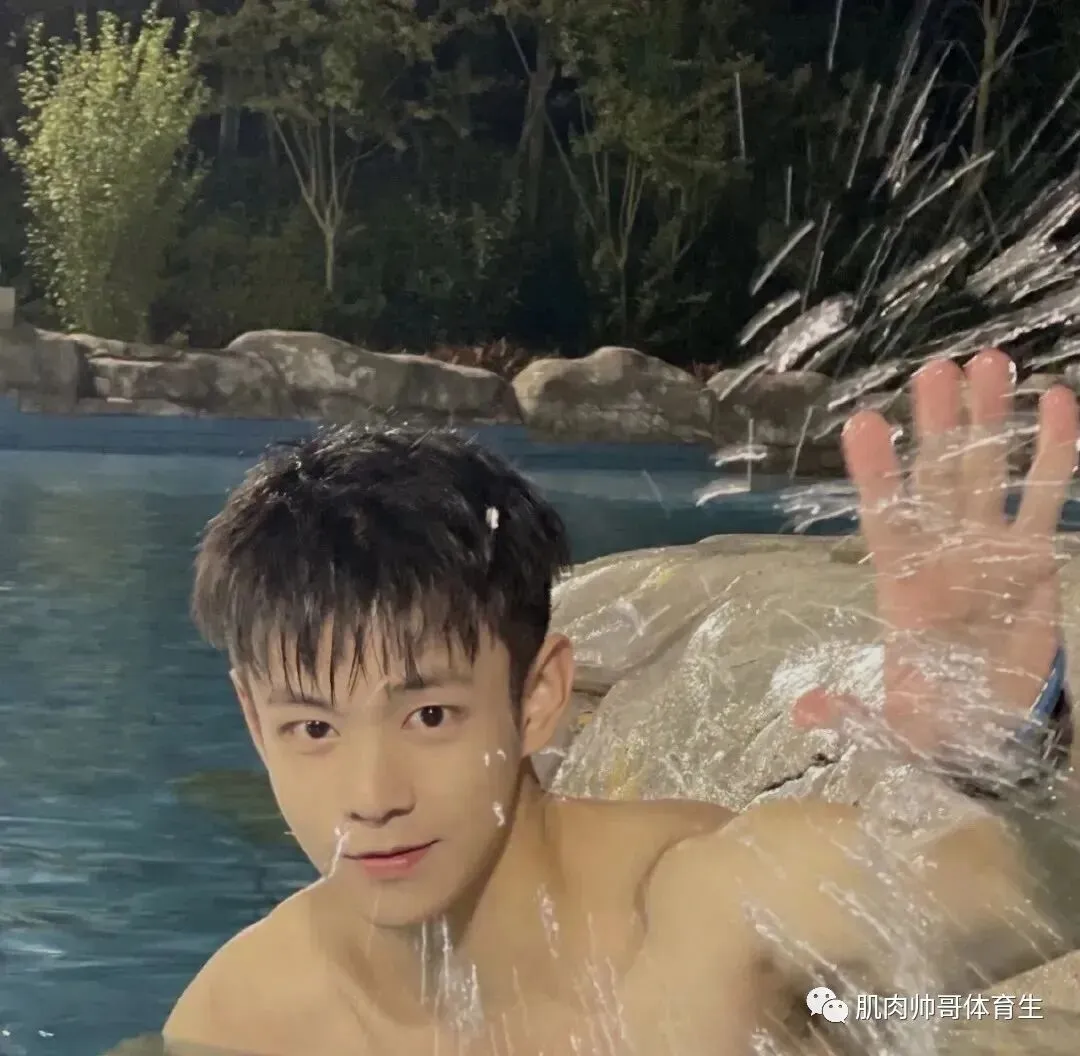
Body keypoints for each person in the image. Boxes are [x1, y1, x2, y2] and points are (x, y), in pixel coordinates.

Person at [162, 349, 1080, 1056]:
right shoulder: (240, 1021)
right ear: (255, 724)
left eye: (430, 715)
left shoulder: (704, 904)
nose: (371, 796)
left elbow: (1017, 914)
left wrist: (996, 751)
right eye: (313, 728)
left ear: (538, 696)